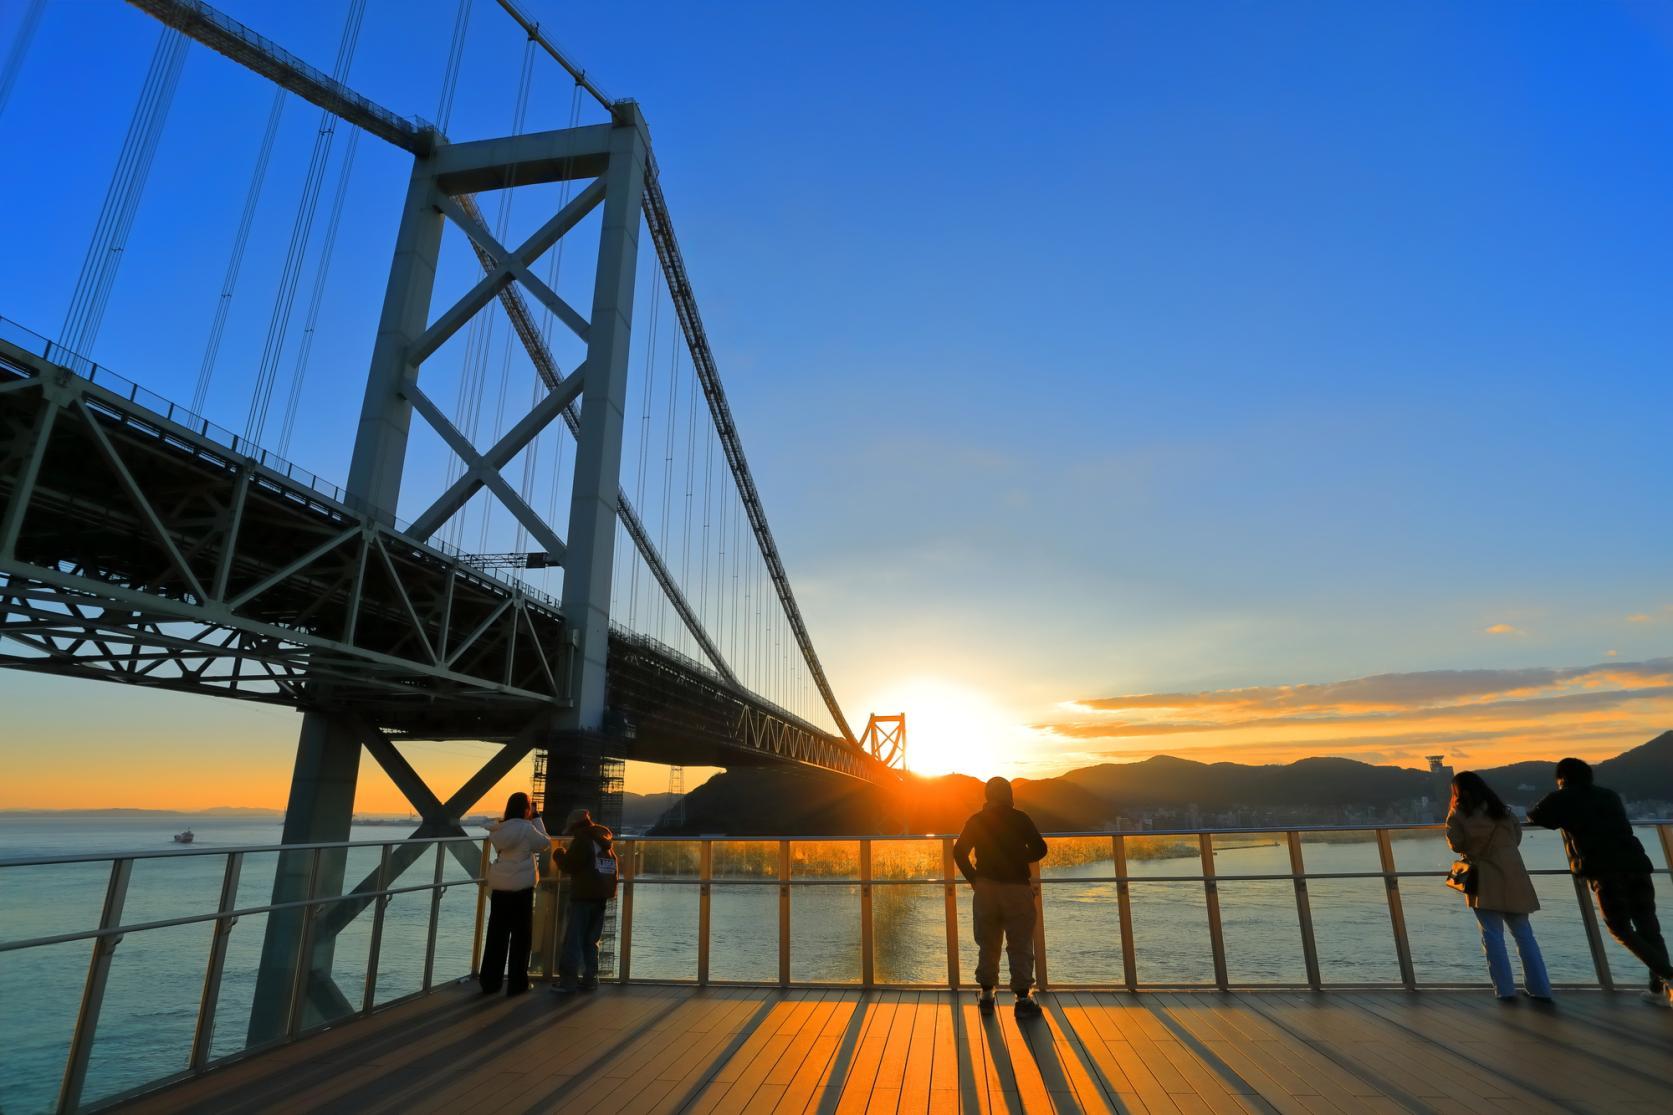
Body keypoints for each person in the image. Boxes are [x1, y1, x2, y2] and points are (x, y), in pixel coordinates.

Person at [1528, 757, 1673, 1007]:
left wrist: (1558, 797)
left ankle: (1669, 976)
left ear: (1561, 779)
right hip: (1637, 863)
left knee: (1619, 927)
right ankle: (1658, 990)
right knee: (1649, 926)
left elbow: (1535, 816)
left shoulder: (1562, 798)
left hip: (1604, 870)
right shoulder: (1609, 795)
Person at [1444, 771, 1552, 1002]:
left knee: (1492, 935)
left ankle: (1504, 991)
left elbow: (1456, 844)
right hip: (1514, 875)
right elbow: (1516, 839)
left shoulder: (1459, 814)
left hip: (1483, 878)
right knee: (1524, 935)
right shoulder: (1504, 810)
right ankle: (1540, 989)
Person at [954, 776, 1048, 1018]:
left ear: (987, 796)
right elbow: (1040, 848)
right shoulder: (1020, 818)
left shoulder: (977, 820)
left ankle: (986, 994)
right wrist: (1018, 856)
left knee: (987, 941)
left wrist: (974, 878)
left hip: (985, 887)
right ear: (1009, 795)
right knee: (1020, 943)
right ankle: (1022, 998)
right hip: (1016, 887)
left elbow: (959, 851)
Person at [479, 791, 551, 996]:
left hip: (500, 886)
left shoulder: (498, 829)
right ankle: (517, 983)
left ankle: (490, 982)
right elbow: (545, 843)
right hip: (521, 889)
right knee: (521, 938)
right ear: (526, 808)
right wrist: (537, 818)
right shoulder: (527, 829)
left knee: (496, 936)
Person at [554, 807, 618, 994]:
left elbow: (570, 865)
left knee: (573, 939)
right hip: (602, 894)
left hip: (584, 894)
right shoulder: (604, 838)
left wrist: (558, 854)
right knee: (591, 940)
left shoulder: (583, 839)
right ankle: (590, 979)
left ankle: (568, 981)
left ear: (575, 826)